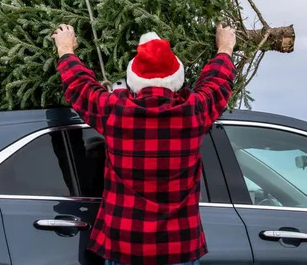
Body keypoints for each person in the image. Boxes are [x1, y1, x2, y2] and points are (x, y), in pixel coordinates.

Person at [52, 24, 236, 265]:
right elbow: (218, 83)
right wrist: (225, 47)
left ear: (133, 80)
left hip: (125, 247)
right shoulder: (194, 111)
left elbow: (80, 86)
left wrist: (65, 48)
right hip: (179, 247)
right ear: (176, 79)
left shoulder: (116, 111)